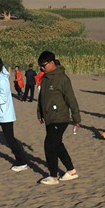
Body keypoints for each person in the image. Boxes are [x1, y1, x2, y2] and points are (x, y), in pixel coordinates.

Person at [36, 50, 81, 185]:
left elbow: (71, 99)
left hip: (60, 118)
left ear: (51, 63)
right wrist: (40, 113)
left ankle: (53, 176)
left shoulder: (63, 79)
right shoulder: (44, 78)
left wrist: (76, 118)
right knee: (57, 144)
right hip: (49, 117)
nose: (42, 68)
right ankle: (71, 170)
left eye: (43, 66)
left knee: (49, 145)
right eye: (40, 66)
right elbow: (41, 98)